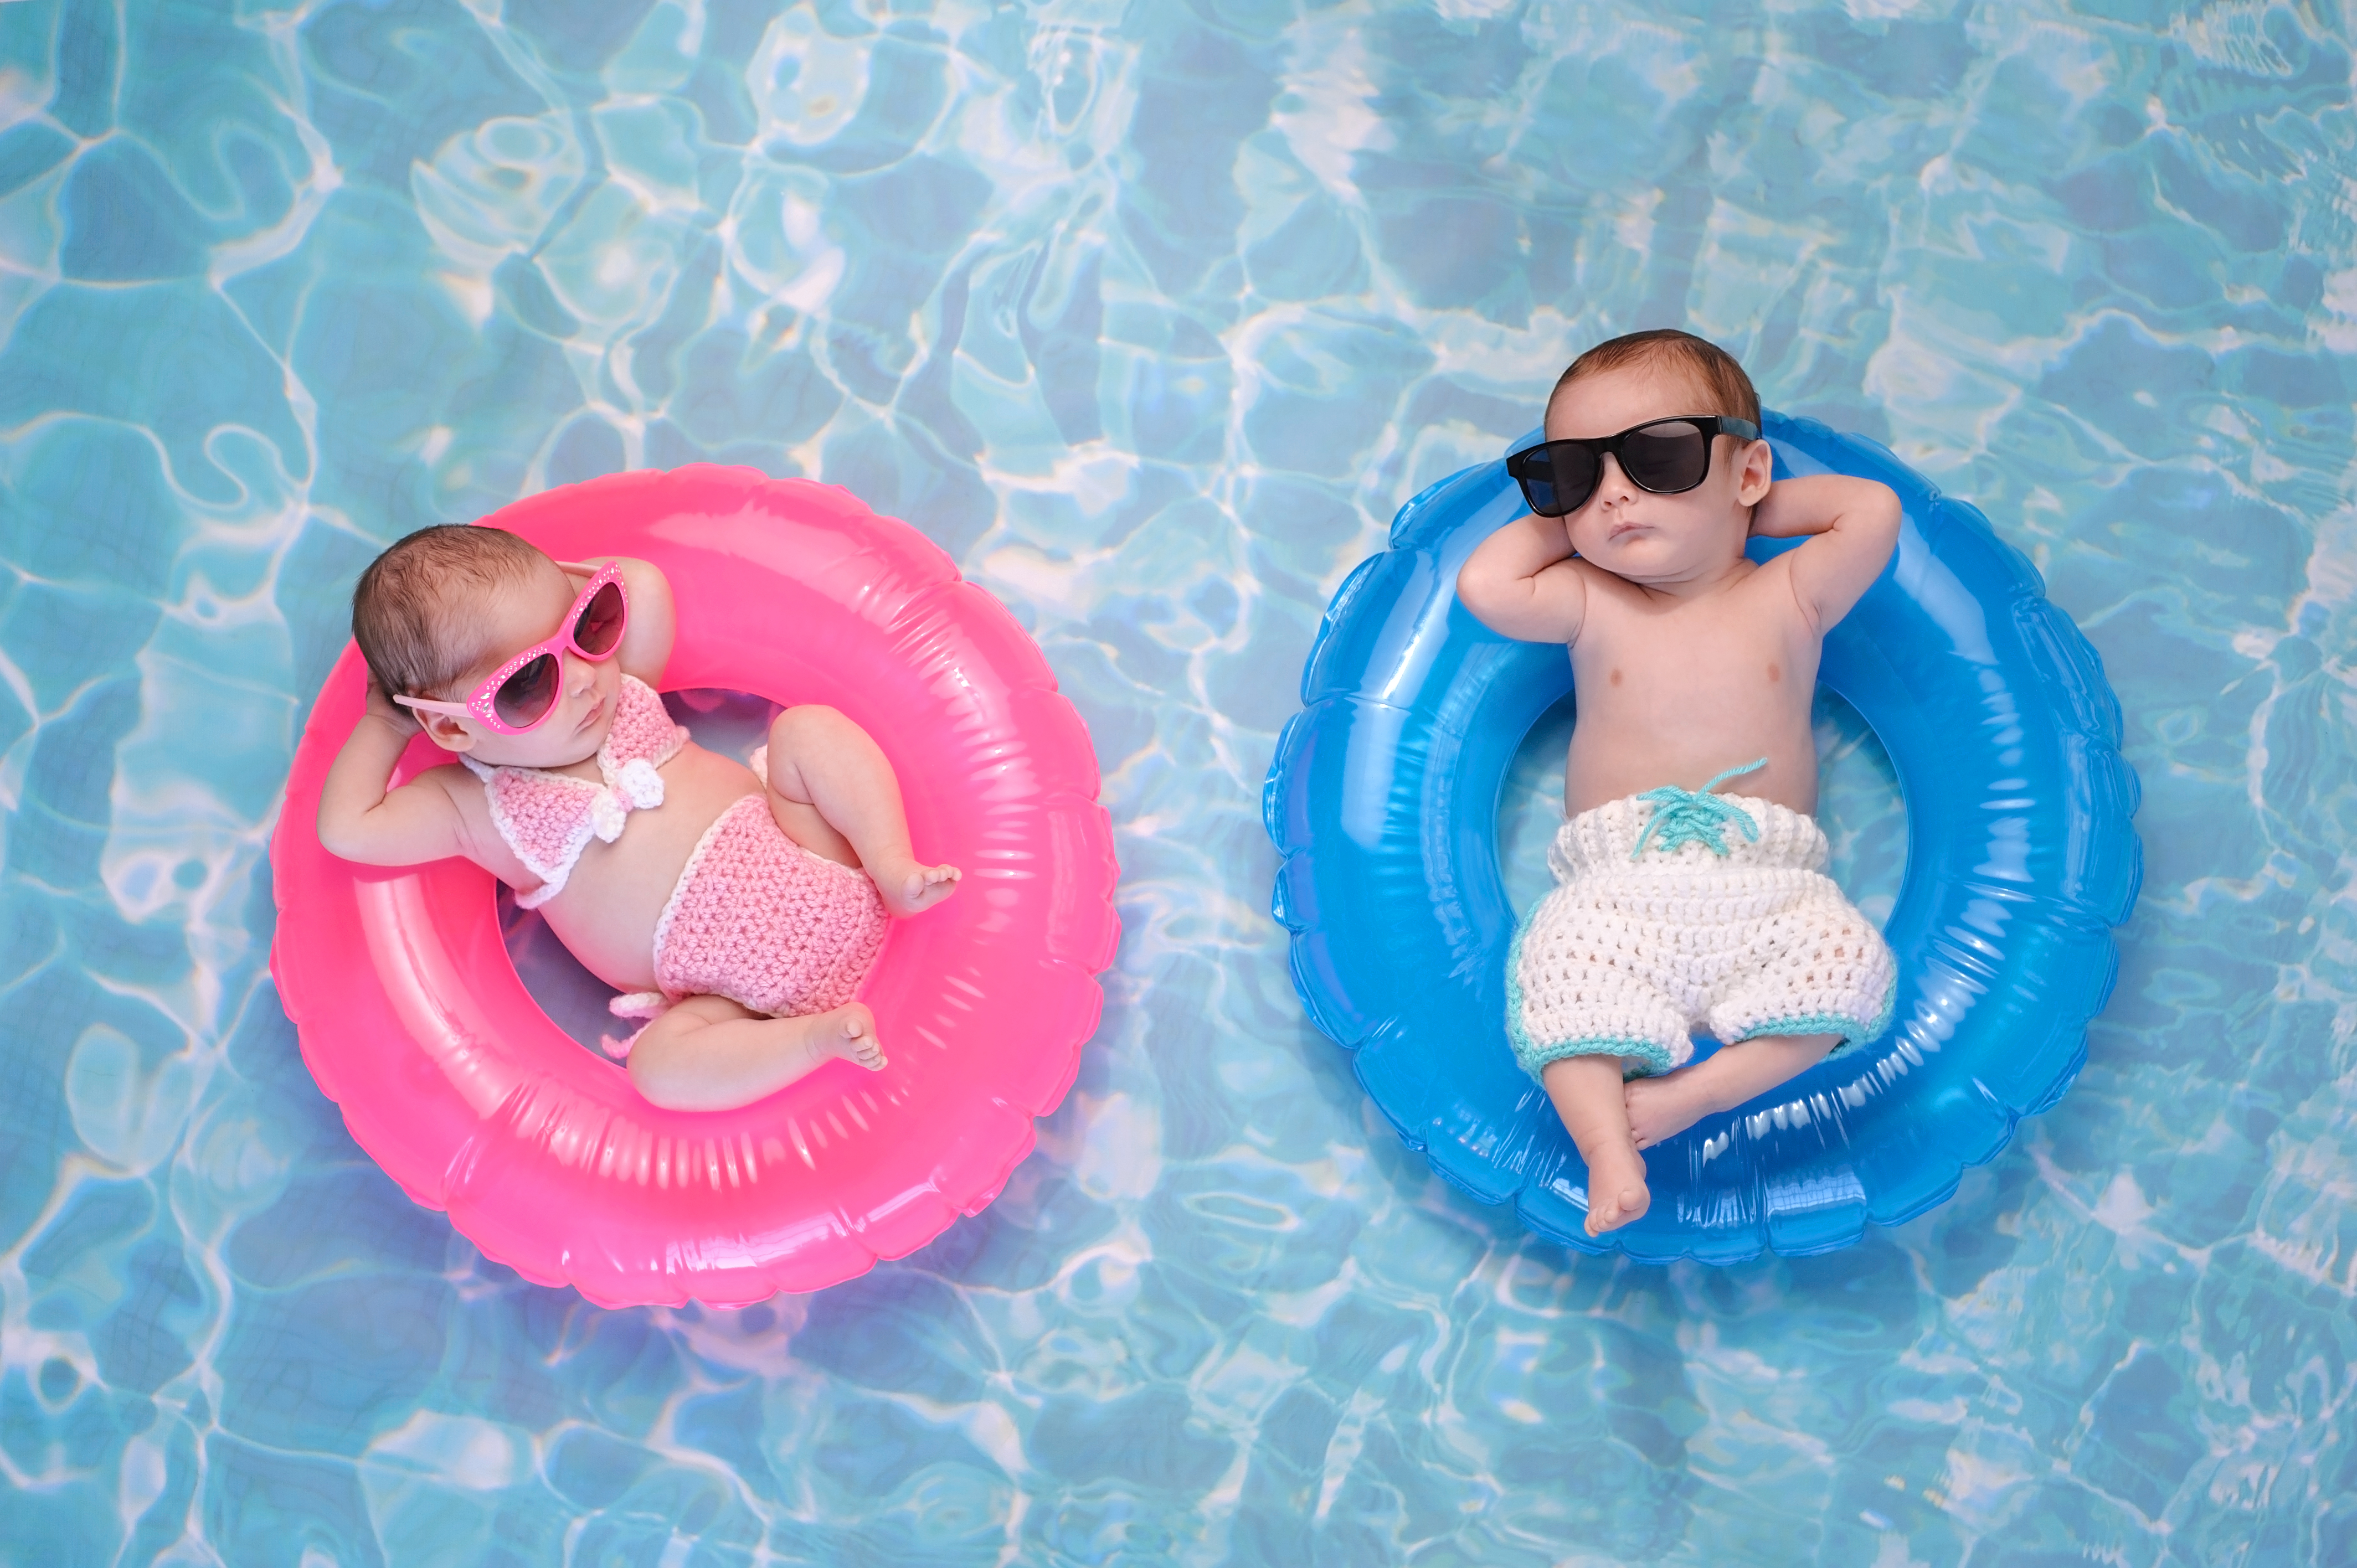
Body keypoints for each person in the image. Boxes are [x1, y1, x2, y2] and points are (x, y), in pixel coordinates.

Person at [1455, 329, 1901, 1236]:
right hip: (1618, 882)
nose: (1617, 490)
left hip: (1767, 879)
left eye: (1658, 457)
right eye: (1575, 472)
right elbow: (1485, 583)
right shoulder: (1592, 601)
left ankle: (1692, 1098)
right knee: (1557, 980)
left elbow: (1872, 510)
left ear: (1749, 472)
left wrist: (1748, 507)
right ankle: (1607, 1149)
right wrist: (1584, 518)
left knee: (1851, 971)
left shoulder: (1791, 596)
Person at [316, 525, 959, 1113]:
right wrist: (384, 722)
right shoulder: (472, 810)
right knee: (657, 1069)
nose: (580, 682)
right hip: (735, 1003)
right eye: (527, 683)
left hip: (816, 851)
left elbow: (644, 584)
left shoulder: (628, 691)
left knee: (808, 732)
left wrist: (557, 592)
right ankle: (813, 1040)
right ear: (451, 726)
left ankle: (891, 865)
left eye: (585, 631)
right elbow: (348, 828)